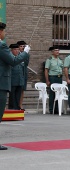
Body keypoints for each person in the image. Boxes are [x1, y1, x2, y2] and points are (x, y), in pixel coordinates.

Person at [0, 22, 30, 150]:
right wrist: (25, 53)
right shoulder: (1, 45)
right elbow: (13, 61)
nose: (4, 33)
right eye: (4, 31)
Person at [45, 45, 63, 114]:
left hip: (59, 77)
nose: (57, 52)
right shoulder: (49, 60)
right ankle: (51, 109)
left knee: (58, 93)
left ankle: (57, 109)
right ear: (52, 52)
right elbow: (46, 70)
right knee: (52, 94)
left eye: (58, 50)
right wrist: (47, 80)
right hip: (52, 77)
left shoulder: (60, 60)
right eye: (56, 50)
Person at [8, 44, 25, 110]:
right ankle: (12, 108)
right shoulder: (10, 57)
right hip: (12, 80)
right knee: (12, 96)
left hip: (19, 80)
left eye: (18, 49)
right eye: (15, 49)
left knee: (18, 95)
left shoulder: (20, 58)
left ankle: (17, 108)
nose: (17, 51)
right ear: (11, 50)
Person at [17, 40, 30, 110]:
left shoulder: (26, 54)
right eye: (21, 46)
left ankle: (20, 104)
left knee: (22, 90)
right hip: (17, 74)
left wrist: (26, 53)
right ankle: (16, 104)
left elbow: (26, 63)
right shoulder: (17, 54)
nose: (22, 47)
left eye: (23, 46)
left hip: (23, 73)